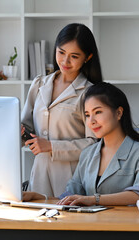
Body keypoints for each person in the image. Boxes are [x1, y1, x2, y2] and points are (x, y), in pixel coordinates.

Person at [23, 82, 139, 206]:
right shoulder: (87, 153)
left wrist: (94, 199)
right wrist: (40, 197)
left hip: (125, 228)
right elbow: (69, 196)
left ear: (118, 113)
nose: (91, 121)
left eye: (98, 112)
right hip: (89, 227)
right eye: (87, 115)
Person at [21, 23, 103, 197]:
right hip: (40, 174)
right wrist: (19, 132)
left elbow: (94, 145)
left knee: (69, 222)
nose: (65, 61)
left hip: (72, 176)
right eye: (61, 53)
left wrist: (51, 146)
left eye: (74, 56)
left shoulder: (90, 93)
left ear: (87, 57)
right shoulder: (39, 84)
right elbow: (26, 126)